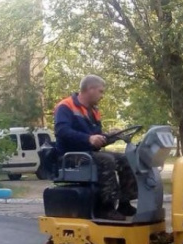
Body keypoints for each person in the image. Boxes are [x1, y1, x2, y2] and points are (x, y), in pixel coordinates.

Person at [54, 75, 138, 221]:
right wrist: (88, 138)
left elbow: (96, 138)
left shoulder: (94, 111)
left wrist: (110, 136)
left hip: (89, 152)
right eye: (100, 91)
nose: (102, 96)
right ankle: (105, 208)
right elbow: (61, 131)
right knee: (106, 160)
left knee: (125, 158)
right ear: (90, 89)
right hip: (70, 155)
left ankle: (125, 203)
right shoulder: (66, 106)